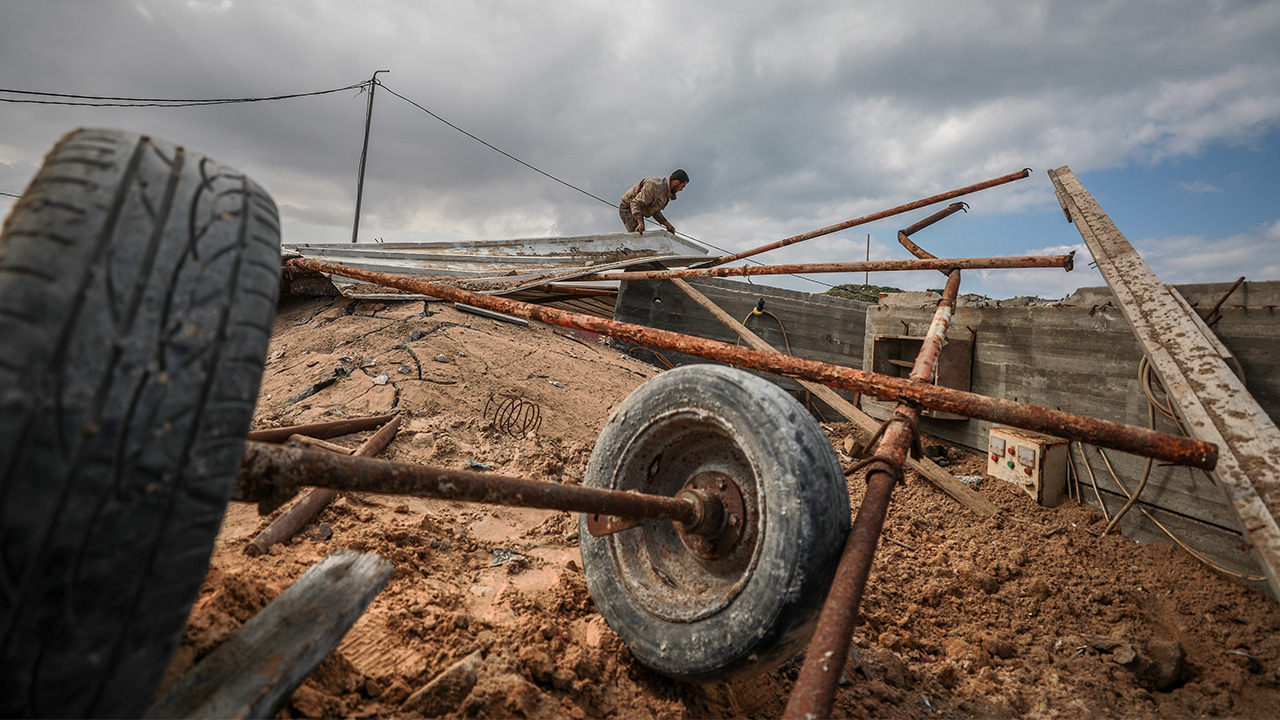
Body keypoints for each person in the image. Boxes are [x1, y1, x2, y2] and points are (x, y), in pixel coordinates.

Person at [619, 169, 689, 234]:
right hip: (628, 208)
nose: (681, 189)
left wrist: (668, 225)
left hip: (638, 211)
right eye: (682, 186)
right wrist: (640, 222)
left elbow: (655, 211)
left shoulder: (666, 193)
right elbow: (635, 203)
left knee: (641, 239)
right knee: (638, 238)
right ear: (677, 182)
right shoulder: (654, 186)